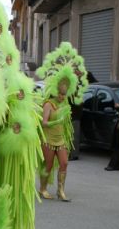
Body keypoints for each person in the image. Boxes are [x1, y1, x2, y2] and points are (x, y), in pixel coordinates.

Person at [36, 42, 88, 201]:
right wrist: (56, 119)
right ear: (55, 91)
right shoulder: (48, 104)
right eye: (60, 94)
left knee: (64, 163)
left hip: (60, 139)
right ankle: (43, 189)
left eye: (64, 95)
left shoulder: (64, 104)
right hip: (48, 139)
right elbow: (44, 123)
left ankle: (61, 191)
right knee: (49, 165)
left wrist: (64, 119)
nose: (62, 97)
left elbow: (66, 121)